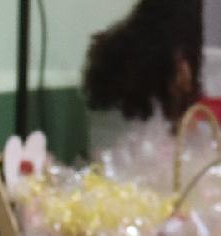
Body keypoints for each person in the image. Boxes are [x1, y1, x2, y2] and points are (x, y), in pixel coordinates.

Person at [82, 0, 204, 153]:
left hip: (99, 155)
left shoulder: (108, 49)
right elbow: (182, 129)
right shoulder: (175, 65)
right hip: (146, 158)